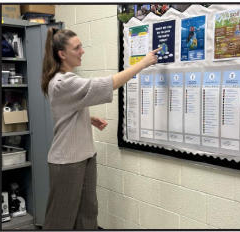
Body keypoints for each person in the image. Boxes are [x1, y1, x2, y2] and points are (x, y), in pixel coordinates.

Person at [41, 27, 161, 229]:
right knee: (60, 219)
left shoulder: (67, 81)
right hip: (67, 161)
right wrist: (142, 63)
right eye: (76, 48)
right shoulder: (63, 81)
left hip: (86, 155)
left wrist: (89, 118)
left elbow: (67, 108)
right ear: (62, 54)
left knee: (88, 214)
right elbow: (106, 84)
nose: (82, 51)